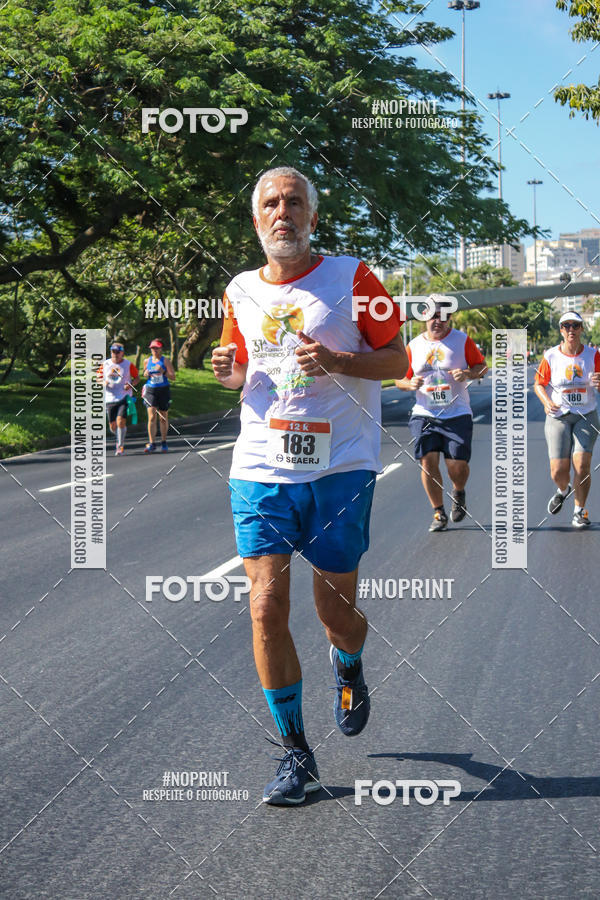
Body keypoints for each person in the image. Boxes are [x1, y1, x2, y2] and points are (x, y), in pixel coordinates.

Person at [211, 166, 407, 805]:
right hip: (261, 469)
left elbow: (399, 359)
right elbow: (238, 371)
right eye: (270, 202)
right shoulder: (239, 290)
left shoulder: (354, 278)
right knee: (265, 606)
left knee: (335, 615)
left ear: (313, 217)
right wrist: (225, 371)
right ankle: (296, 753)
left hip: (340, 467)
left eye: (295, 202)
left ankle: (347, 663)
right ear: (256, 218)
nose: (282, 212)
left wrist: (341, 361)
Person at [395, 299, 487, 532]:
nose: (437, 320)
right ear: (424, 317)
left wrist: (467, 373)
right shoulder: (413, 345)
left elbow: (483, 367)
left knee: (456, 466)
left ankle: (459, 492)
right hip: (425, 413)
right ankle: (439, 512)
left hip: (456, 413)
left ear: (449, 319)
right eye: (433, 315)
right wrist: (409, 383)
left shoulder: (461, 341)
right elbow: (399, 379)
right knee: (428, 462)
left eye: (443, 316)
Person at [534, 311, 600, 528]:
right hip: (558, 416)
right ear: (561, 330)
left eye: (575, 325)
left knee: (582, 464)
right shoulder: (551, 356)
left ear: (581, 328)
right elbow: (538, 384)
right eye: (566, 326)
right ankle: (563, 490)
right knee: (558, 471)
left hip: (586, 414)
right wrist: (545, 402)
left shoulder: (593, 355)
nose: (571, 329)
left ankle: (579, 511)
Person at [97, 342, 139, 455]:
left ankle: (120, 446)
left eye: (117, 351)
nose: (115, 354)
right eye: (113, 351)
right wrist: (103, 382)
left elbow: (137, 378)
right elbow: (98, 378)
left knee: (120, 421)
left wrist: (130, 384)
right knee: (112, 426)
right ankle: (119, 437)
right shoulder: (105, 364)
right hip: (110, 398)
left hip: (124, 397)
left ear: (122, 353)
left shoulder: (128, 364)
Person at [142, 339, 176, 452]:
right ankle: (152, 443)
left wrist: (164, 372)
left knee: (163, 417)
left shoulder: (165, 361)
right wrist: (145, 373)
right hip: (151, 390)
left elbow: (173, 377)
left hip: (163, 390)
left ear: (161, 349)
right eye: (152, 348)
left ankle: (164, 441)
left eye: (156, 348)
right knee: (151, 416)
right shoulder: (147, 361)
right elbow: (145, 373)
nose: (154, 350)